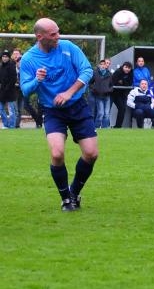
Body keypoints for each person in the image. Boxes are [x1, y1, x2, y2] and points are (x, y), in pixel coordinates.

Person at [19, 18, 98, 211]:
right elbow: (25, 90)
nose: (58, 36)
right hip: (52, 111)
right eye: (53, 34)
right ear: (40, 36)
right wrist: (37, 80)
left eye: (58, 32)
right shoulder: (29, 59)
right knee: (57, 153)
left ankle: (74, 192)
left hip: (78, 106)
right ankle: (66, 199)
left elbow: (87, 70)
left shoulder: (68, 47)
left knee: (91, 153)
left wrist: (69, 92)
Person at [12, 48, 43, 128]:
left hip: (31, 85)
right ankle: (38, 121)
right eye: (14, 54)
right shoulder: (12, 65)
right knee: (24, 106)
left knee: (40, 103)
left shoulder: (26, 62)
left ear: (21, 55)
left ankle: (39, 122)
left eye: (17, 54)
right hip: (19, 90)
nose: (15, 55)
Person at [89, 59, 113, 128]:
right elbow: (90, 83)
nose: (103, 66)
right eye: (101, 64)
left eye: (104, 64)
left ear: (106, 65)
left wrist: (109, 90)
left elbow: (111, 85)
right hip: (99, 96)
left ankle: (104, 128)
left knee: (107, 114)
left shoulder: (109, 74)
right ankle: (96, 127)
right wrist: (94, 89)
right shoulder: (95, 73)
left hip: (107, 96)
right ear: (99, 65)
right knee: (100, 113)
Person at [111, 61, 133, 128]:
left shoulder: (131, 73)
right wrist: (123, 82)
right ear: (123, 66)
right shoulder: (118, 72)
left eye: (129, 68)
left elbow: (129, 84)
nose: (127, 69)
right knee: (121, 108)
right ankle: (116, 126)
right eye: (126, 67)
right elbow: (114, 82)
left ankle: (118, 126)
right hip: (115, 94)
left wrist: (122, 81)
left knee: (123, 109)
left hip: (124, 94)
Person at [0, 50, 18, 129]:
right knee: (0, 109)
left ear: (8, 57)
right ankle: (6, 124)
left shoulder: (12, 66)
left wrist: (7, 88)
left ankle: (11, 126)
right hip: (2, 92)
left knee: (11, 111)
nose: (4, 58)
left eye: (6, 56)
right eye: (3, 56)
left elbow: (13, 79)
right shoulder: (1, 67)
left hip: (10, 92)